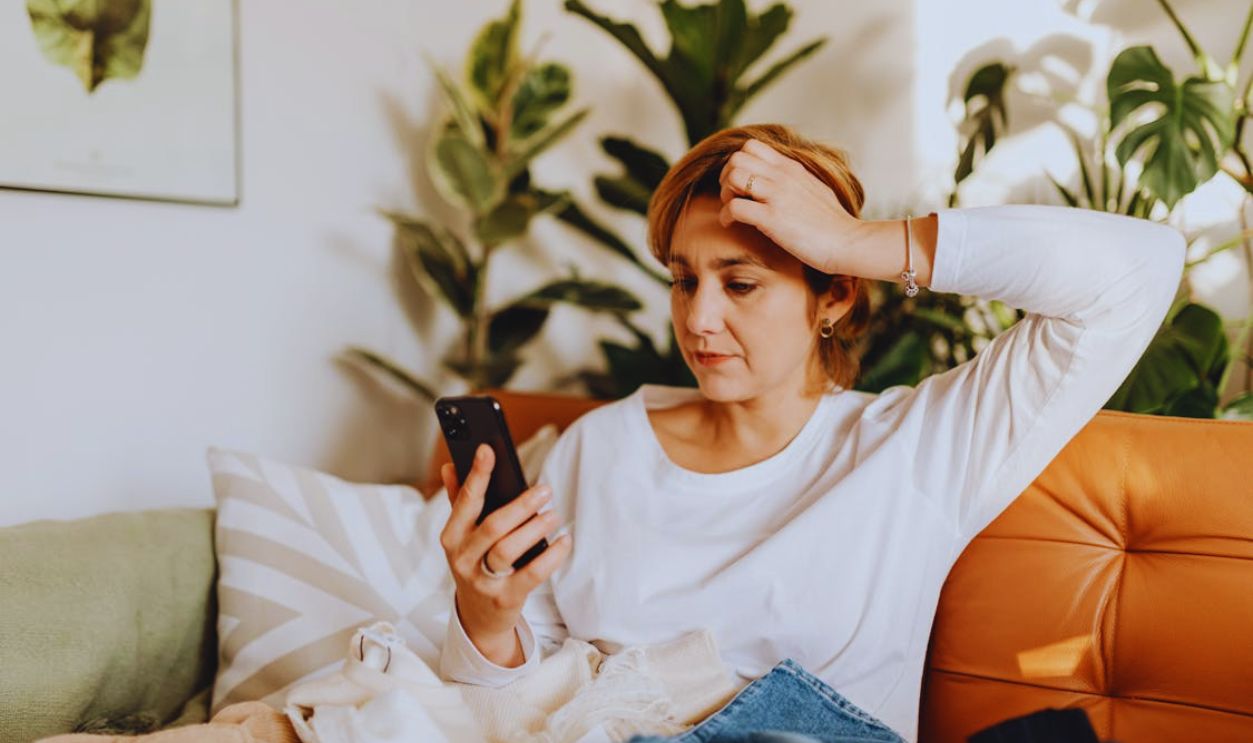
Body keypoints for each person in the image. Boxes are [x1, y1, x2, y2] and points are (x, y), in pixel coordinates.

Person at [434, 123, 1187, 742]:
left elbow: (1138, 270)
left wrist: (856, 240)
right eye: (682, 278)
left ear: (832, 293)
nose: (698, 319)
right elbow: (512, 698)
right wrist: (486, 615)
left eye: (740, 282)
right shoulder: (598, 447)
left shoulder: (916, 447)